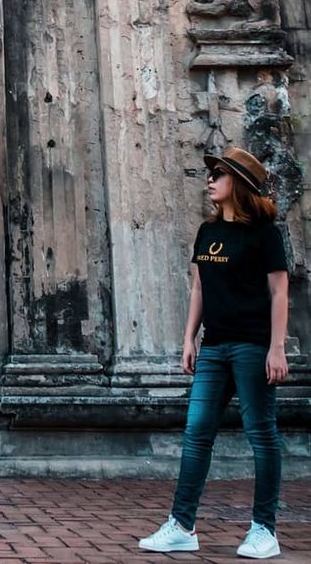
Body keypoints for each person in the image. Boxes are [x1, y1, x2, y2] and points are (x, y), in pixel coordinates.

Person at [139, 146, 289, 559]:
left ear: (238, 185)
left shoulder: (264, 234)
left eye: (219, 174)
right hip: (214, 347)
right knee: (196, 433)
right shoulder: (207, 233)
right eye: (211, 173)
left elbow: (279, 291)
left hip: (252, 346)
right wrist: (189, 338)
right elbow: (199, 288)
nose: (210, 179)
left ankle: (264, 529)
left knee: (262, 435)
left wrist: (277, 348)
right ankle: (182, 526)